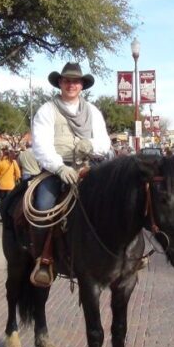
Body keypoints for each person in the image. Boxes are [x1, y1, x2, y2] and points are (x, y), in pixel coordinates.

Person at [30, 62, 111, 287]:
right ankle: (43, 259)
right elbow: (41, 145)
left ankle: (119, 254)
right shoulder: (47, 110)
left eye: (76, 81)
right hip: (57, 170)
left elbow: (104, 143)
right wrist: (59, 168)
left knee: (116, 202)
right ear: (60, 83)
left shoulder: (93, 111)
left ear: (82, 85)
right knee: (43, 209)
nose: (71, 85)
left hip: (88, 168)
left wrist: (90, 145)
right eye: (67, 81)